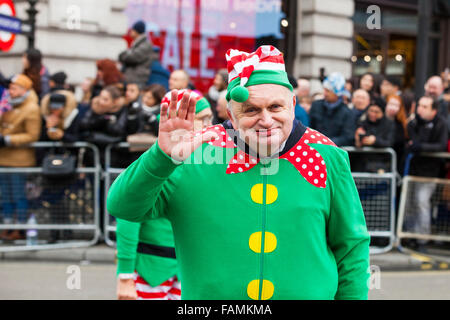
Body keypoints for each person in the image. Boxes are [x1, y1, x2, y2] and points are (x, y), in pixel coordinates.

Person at [107, 45, 370, 300]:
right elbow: (123, 206)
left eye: (275, 107)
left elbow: (351, 247)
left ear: (292, 103)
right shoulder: (194, 154)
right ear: (231, 115)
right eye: (251, 110)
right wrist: (161, 157)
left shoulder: (327, 156)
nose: (266, 120)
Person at [0, 75, 42, 241]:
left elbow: (32, 135)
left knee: (18, 195)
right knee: (6, 196)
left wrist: (8, 140)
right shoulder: (7, 105)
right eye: (10, 87)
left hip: (20, 161)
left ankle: (21, 228)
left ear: (25, 90)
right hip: (4, 158)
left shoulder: (31, 108)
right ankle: (8, 226)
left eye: (15, 88)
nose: (11, 91)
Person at [405, 96, 448, 249]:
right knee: (411, 204)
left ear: (433, 110)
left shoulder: (441, 124)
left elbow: (440, 146)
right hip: (413, 170)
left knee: (422, 202)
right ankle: (411, 236)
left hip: (430, 172)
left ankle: (422, 238)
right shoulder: (413, 122)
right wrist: (418, 146)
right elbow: (412, 143)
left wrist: (420, 146)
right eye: (419, 106)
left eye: (425, 106)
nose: (420, 109)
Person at [116, 217, 180, 300]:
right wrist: (125, 276)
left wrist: (125, 276)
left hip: (157, 267)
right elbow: (128, 219)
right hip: (150, 269)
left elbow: (128, 218)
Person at [309, 72, 355, 146]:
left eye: (328, 91)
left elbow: (348, 137)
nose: (325, 93)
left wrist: (326, 143)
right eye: (324, 89)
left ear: (338, 93)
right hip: (315, 148)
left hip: (334, 151)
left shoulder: (347, 112)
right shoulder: (316, 105)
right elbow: (308, 127)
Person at [119, 20, 156, 88]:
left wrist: (122, 55)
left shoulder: (145, 45)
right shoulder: (138, 43)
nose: (130, 32)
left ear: (136, 31)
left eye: (132, 30)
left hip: (138, 80)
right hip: (132, 79)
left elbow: (131, 57)